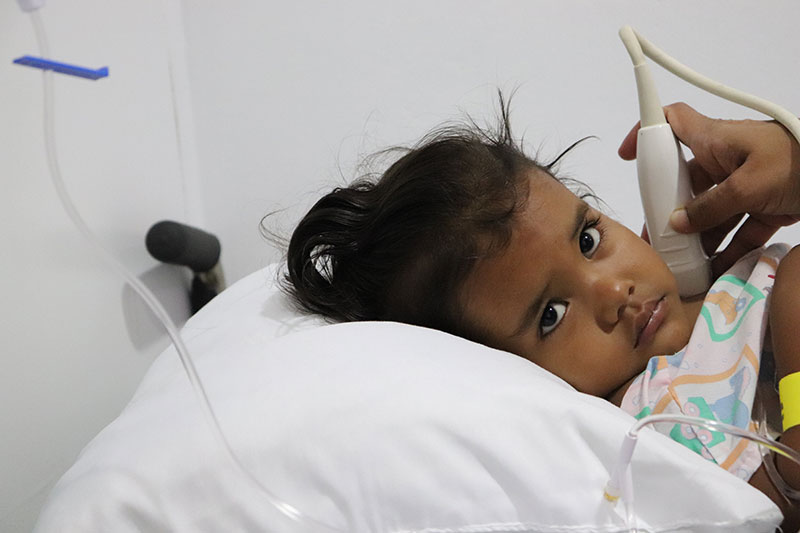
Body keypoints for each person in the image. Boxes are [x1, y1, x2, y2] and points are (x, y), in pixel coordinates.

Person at [281, 97, 800, 530]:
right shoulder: (613, 439)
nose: (613, 290)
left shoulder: (746, 283)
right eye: (551, 314)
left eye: (588, 238)